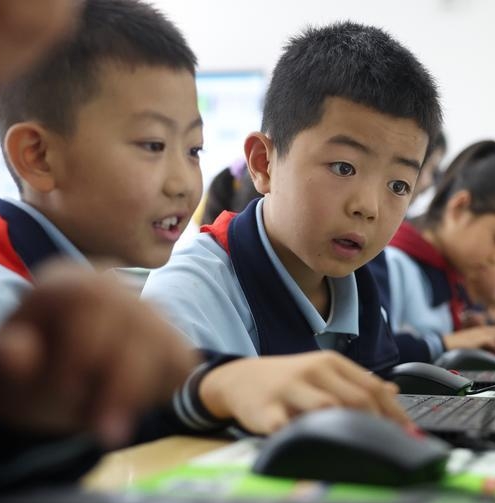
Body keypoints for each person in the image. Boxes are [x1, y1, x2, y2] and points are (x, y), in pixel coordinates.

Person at [0, 1, 406, 492]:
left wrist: (211, 385)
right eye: (152, 145)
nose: (184, 183)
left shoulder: (74, 291)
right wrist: (218, 384)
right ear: (39, 156)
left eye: (193, 150)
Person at [141, 22, 442, 374]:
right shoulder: (186, 304)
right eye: (343, 168)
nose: (368, 208)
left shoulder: (360, 295)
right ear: (263, 163)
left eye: (399, 186)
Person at [370, 152, 495, 362]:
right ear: (459, 207)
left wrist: (466, 335)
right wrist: (450, 342)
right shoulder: (390, 262)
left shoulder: (446, 279)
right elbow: (372, 351)